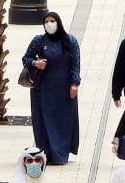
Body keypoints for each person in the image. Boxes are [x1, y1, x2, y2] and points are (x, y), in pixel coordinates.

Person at [23, 12, 81, 165]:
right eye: (47, 21)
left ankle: (60, 154)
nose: (49, 24)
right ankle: (46, 152)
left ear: (58, 22)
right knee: (44, 120)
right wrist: (36, 63)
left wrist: (74, 83)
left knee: (63, 121)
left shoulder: (70, 41)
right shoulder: (39, 41)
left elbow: (75, 64)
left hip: (64, 89)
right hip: (42, 89)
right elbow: (26, 59)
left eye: (52, 21)